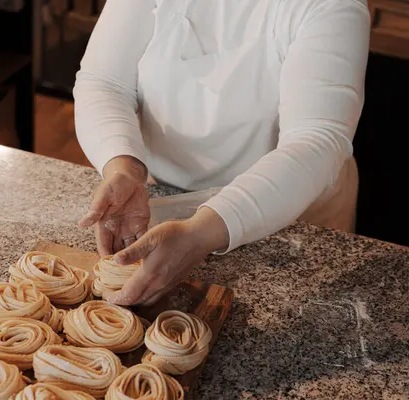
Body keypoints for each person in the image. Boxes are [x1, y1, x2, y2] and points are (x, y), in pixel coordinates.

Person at [74, 0, 370, 306]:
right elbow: (105, 82)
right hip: (163, 205)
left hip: (292, 219)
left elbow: (316, 141)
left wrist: (203, 232)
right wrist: (124, 168)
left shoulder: (330, 5)